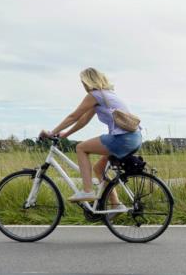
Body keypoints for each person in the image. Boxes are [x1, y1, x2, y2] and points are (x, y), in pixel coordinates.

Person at [41, 67, 142, 202]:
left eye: (83, 82)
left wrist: (51, 133)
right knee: (99, 169)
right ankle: (116, 204)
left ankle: (87, 191)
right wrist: (65, 134)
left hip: (122, 139)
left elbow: (73, 117)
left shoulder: (94, 95)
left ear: (88, 81)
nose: (83, 86)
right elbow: (83, 120)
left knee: (81, 148)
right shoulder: (106, 95)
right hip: (134, 138)